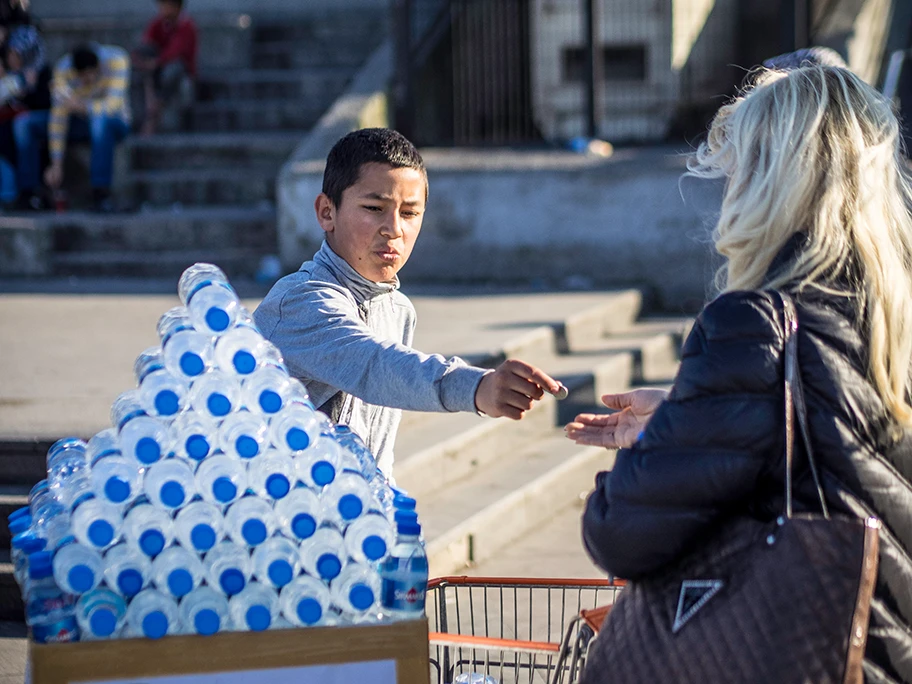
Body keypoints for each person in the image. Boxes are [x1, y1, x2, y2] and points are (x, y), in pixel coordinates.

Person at [567, 66, 912, 681]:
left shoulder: (754, 325)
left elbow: (622, 531)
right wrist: (687, 411)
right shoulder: (894, 318)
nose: (726, 194)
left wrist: (677, 429)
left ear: (770, 182)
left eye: (736, 173)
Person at [254, 128, 564, 479]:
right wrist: (476, 388)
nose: (393, 229)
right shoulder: (301, 301)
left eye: (410, 213)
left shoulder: (397, 310)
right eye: (374, 208)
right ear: (327, 212)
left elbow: (377, 448)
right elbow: (374, 365)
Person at [13, 43, 131, 212]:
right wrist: (56, 163)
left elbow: (113, 106)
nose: (86, 82)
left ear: (97, 68)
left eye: (89, 76)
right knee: (24, 123)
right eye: (82, 78)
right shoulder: (63, 70)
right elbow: (58, 117)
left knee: (100, 120)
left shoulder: (117, 60)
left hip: (115, 122)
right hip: (77, 124)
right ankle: (29, 194)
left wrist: (83, 106)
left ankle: (101, 193)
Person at [0, 24, 48, 207]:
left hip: (31, 132)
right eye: (10, 53)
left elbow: (43, 105)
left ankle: (18, 194)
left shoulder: (42, 74)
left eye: (16, 54)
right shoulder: (13, 78)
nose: (12, 58)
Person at [134, 0, 197, 136]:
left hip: (179, 73)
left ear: (176, 7)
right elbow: (147, 41)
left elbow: (176, 52)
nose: (162, 9)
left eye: (165, 6)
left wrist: (155, 62)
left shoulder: (187, 26)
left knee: (173, 70)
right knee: (145, 52)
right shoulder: (159, 23)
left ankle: (156, 107)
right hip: (159, 69)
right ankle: (151, 101)